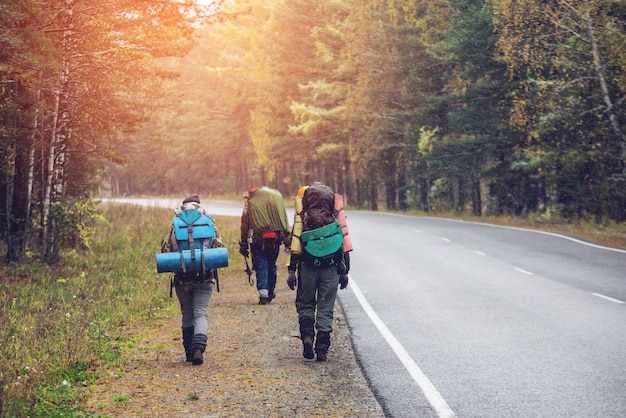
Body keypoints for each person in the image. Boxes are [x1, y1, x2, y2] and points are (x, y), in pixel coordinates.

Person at [286, 183, 350, 362]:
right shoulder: (335, 217)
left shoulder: (302, 218)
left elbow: (295, 245)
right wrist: (344, 271)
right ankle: (322, 348)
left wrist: (291, 271)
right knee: (326, 306)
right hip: (330, 268)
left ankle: (307, 336)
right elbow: (343, 244)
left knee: (305, 304)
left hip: (307, 267)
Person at [161, 194, 224, 365]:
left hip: (182, 278)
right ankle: (198, 348)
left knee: (187, 315)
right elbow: (219, 247)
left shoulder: (175, 224)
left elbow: (166, 248)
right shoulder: (208, 221)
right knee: (200, 313)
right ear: (198, 206)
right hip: (205, 276)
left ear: (183, 206)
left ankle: (189, 351)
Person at [239, 187, 291, 305]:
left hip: (257, 240)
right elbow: (283, 222)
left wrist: (243, 244)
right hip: (275, 240)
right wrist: (287, 241)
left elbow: (245, 226)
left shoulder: (252, 207)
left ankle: (263, 293)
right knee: (271, 265)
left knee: (261, 265)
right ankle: (271, 291)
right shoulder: (273, 206)